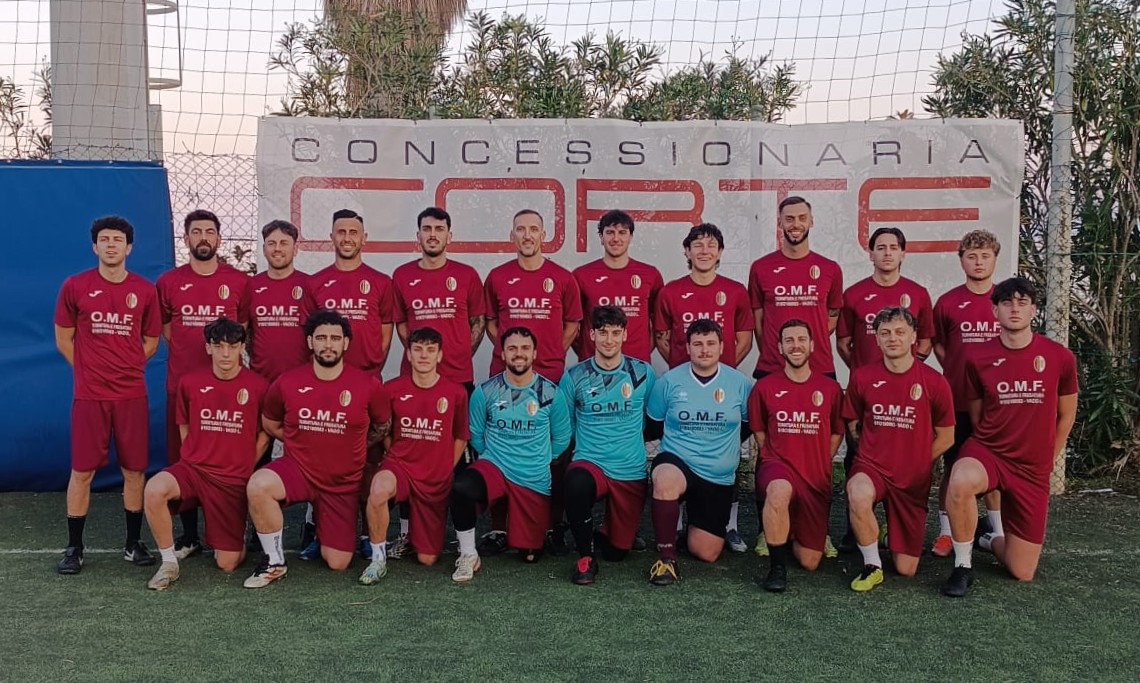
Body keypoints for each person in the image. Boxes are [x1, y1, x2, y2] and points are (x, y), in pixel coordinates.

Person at [940, 277, 1078, 597]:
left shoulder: (1059, 357)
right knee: (960, 479)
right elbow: (977, 414)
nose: (1014, 308)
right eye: (1006, 303)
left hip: (1032, 467)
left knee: (1021, 570)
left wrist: (1048, 458)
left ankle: (987, 538)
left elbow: (1066, 414)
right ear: (995, 311)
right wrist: (988, 447)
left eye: (1022, 302)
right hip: (990, 452)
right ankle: (962, 566)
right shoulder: (977, 357)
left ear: (1033, 310)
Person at [243, 310, 391, 588]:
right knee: (259, 485)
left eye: (335, 338)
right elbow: (270, 422)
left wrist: (353, 443)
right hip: (298, 470)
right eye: (321, 338)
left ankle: (324, 529)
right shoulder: (287, 382)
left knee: (338, 562)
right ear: (310, 342)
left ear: (346, 343)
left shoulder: (368, 385)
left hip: (342, 483)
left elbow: (382, 426)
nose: (328, 344)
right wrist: (301, 438)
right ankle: (274, 562)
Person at [54, 215, 163, 574]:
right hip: (90, 396)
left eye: (118, 239)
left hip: (131, 395)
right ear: (94, 247)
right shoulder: (75, 285)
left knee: (134, 470)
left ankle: (133, 544)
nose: (111, 244)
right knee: (82, 471)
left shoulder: (144, 291)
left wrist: (126, 367)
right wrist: (88, 371)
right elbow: (63, 338)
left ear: (129, 247)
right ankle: (74, 547)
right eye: (105, 239)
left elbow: (151, 341)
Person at [747, 195, 843, 556]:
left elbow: (832, 315)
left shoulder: (829, 268)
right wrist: (777, 352)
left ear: (811, 221)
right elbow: (758, 319)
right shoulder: (761, 268)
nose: (795, 224)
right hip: (773, 367)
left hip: (820, 370)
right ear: (780, 223)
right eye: (789, 218)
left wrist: (805, 349)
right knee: (767, 450)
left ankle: (819, 529)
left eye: (802, 217)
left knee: (819, 451)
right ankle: (766, 528)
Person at [482, 209, 581, 555]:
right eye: (521, 229)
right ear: (512, 236)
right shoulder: (497, 276)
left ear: (544, 235)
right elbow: (491, 323)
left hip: (550, 375)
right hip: (505, 377)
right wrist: (512, 355)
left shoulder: (563, 278)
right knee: (500, 445)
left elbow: (572, 324)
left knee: (555, 452)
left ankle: (553, 524)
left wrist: (550, 353)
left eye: (534, 229)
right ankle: (498, 527)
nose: (527, 235)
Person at [143, 318, 269, 590]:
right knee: (153, 489)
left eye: (232, 346)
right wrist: (192, 456)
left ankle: (237, 530)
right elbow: (184, 425)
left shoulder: (259, 386)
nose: (225, 353)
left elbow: (266, 433)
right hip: (194, 470)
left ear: (242, 348)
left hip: (231, 478)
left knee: (228, 563)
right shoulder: (189, 383)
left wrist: (246, 463)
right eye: (218, 346)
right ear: (208, 348)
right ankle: (169, 563)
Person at [388, 206, 485, 558]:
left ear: (449, 235)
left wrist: (454, 356)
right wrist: (422, 363)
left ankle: (463, 540)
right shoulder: (402, 275)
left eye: (439, 229)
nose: (432, 234)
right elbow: (402, 326)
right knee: (409, 454)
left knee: (457, 460)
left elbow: (478, 321)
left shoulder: (466, 275)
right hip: (414, 384)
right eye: (426, 229)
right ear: (418, 235)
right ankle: (406, 534)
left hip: (458, 380)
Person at [654, 223, 754, 552]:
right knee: (680, 451)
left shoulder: (735, 291)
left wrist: (723, 368)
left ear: (720, 252)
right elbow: (662, 338)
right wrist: (683, 366)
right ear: (687, 251)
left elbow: (743, 339)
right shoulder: (670, 291)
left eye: (711, 245)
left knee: (725, 454)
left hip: (722, 389)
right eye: (697, 244)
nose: (704, 250)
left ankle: (730, 525)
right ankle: (677, 521)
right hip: (686, 386)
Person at [157, 209, 251, 557]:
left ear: (219, 239)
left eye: (209, 232)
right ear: (186, 239)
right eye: (196, 232)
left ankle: (235, 526)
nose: (203, 238)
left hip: (228, 389)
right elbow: (168, 329)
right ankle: (189, 534)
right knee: (183, 457)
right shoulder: (169, 282)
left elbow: (241, 328)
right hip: (182, 386)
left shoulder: (238, 282)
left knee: (229, 457)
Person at [843, 307, 955, 592]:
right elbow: (853, 423)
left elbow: (946, 436)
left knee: (906, 569)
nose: (892, 338)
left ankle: (886, 535)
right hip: (872, 467)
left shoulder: (934, 382)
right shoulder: (862, 377)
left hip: (911, 479)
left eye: (899, 332)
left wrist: (917, 462)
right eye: (885, 333)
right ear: (877, 339)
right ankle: (872, 565)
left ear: (913, 337)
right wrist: (870, 453)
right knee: (857, 491)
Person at [835, 226, 934, 549]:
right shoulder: (854, 294)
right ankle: (856, 528)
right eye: (881, 247)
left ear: (903, 253)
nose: (887, 253)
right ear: (871, 253)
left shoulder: (918, 294)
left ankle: (897, 526)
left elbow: (926, 342)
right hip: (866, 394)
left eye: (893, 247)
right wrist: (865, 373)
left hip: (906, 397)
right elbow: (844, 342)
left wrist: (903, 370)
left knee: (904, 460)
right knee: (857, 457)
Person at [305, 209, 395, 559]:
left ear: (363, 239)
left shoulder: (380, 282)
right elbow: (310, 337)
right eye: (341, 232)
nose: (347, 238)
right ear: (332, 237)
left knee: (368, 462)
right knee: (323, 462)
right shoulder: (315, 283)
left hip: (367, 383)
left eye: (353, 232)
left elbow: (385, 333)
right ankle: (319, 531)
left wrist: (368, 371)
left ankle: (368, 534)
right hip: (325, 387)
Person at [449, 327, 572, 583]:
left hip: (532, 476)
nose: (519, 354)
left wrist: (541, 459)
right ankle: (468, 554)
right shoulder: (486, 391)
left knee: (531, 555)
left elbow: (562, 437)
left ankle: (526, 533)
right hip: (494, 466)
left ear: (534, 353)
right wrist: (493, 456)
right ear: (502, 354)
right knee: (461, 487)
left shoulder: (551, 393)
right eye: (512, 348)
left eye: (525, 348)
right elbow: (476, 434)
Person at [358, 327, 469, 584]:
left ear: (440, 355)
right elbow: (385, 429)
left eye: (430, 350)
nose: (423, 356)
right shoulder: (392, 389)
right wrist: (393, 453)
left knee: (427, 559)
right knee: (379, 488)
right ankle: (377, 560)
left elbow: (461, 436)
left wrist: (446, 467)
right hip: (400, 466)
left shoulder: (456, 392)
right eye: (417, 350)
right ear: (408, 354)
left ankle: (413, 539)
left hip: (434, 475)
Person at [645, 319, 751, 586]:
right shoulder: (669, 381)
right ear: (688, 348)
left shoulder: (740, 384)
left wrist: (720, 447)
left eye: (711, 343)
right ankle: (666, 560)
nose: (705, 350)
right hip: (678, 462)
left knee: (706, 552)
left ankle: (689, 525)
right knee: (666, 479)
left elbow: (748, 425)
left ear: (722, 347)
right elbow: (654, 425)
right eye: (698, 344)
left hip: (716, 475)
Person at [559, 306, 657, 585]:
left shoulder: (643, 373)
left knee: (617, 552)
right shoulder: (574, 376)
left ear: (625, 334)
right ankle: (585, 557)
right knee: (576, 482)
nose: (609, 340)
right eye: (602, 333)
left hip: (629, 468)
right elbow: (568, 424)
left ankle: (604, 532)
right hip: (590, 462)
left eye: (615, 333)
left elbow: (651, 419)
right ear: (591, 335)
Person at [748, 319, 844, 592]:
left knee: (809, 561)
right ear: (779, 347)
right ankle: (777, 568)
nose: (795, 346)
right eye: (789, 340)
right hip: (777, 466)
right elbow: (759, 431)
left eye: (801, 339)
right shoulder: (765, 387)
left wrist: (819, 459)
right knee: (778, 491)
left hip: (814, 476)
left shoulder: (830, 389)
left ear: (812, 345)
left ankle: (786, 531)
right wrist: (776, 456)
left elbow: (837, 432)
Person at [929, 230, 1003, 557]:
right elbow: (939, 345)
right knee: (955, 466)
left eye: (985, 256)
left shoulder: (1005, 300)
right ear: (961, 261)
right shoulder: (948, 302)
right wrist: (958, 370)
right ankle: (946, 533)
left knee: (995, 468)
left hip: (996, 404)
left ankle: (997, 531)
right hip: (958, 400)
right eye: (972, 256)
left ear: (994, 259)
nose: (978, 262)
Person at [572, 209, 663, 364]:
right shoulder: (581, 276)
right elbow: (572, 326)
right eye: (610, 232)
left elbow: (658, 325)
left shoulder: (650, 275)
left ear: (630, 237)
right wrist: (588, 352)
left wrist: (641, 354)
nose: (616, 238)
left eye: (622, 232)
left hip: (636, 366)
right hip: (594, 367)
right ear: (601, 237)